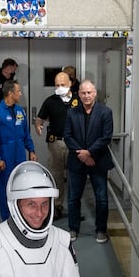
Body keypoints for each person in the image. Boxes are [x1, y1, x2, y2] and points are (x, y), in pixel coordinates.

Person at [63, 79, 114, 243]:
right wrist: (83, 155)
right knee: (73, 198)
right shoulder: (72, 112)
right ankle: (73, 228)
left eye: (89, 92)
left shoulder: (106, 112)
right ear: (79, 94)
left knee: (102, 198)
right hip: (77, 161)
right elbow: (68, 136)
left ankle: (101, 230)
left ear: (95, 93)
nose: (86, 96)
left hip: (98, 161)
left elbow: (106, 137)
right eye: (83, 93)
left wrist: (90, 153)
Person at [0, 79, 37, 221]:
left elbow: (25, 133)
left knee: (20, 186)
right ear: (10, 93)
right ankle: (7, 220)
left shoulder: (19, 110)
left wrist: (31, 150)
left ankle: (20, 217)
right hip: (4, 154)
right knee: (5, 188)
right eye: (18, 91)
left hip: (19, 153)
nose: (20, 94)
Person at [35, 71, 78, 217]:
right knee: (56, 176)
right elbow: (40, 118)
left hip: (75, 144)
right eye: (57, 85)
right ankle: (57, 207)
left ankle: (74, 209)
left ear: (70, 84)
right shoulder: (50, 101)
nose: (60, 87)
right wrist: (38, 124)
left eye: (63, 85)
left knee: (74, 177)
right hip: (56, 144)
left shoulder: (78, 100)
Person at [0, 58, 18, 189]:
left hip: (11, 117)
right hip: (0, 118)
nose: (14, 71)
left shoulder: (10, 80)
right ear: (7, 68)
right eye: (13, 68)